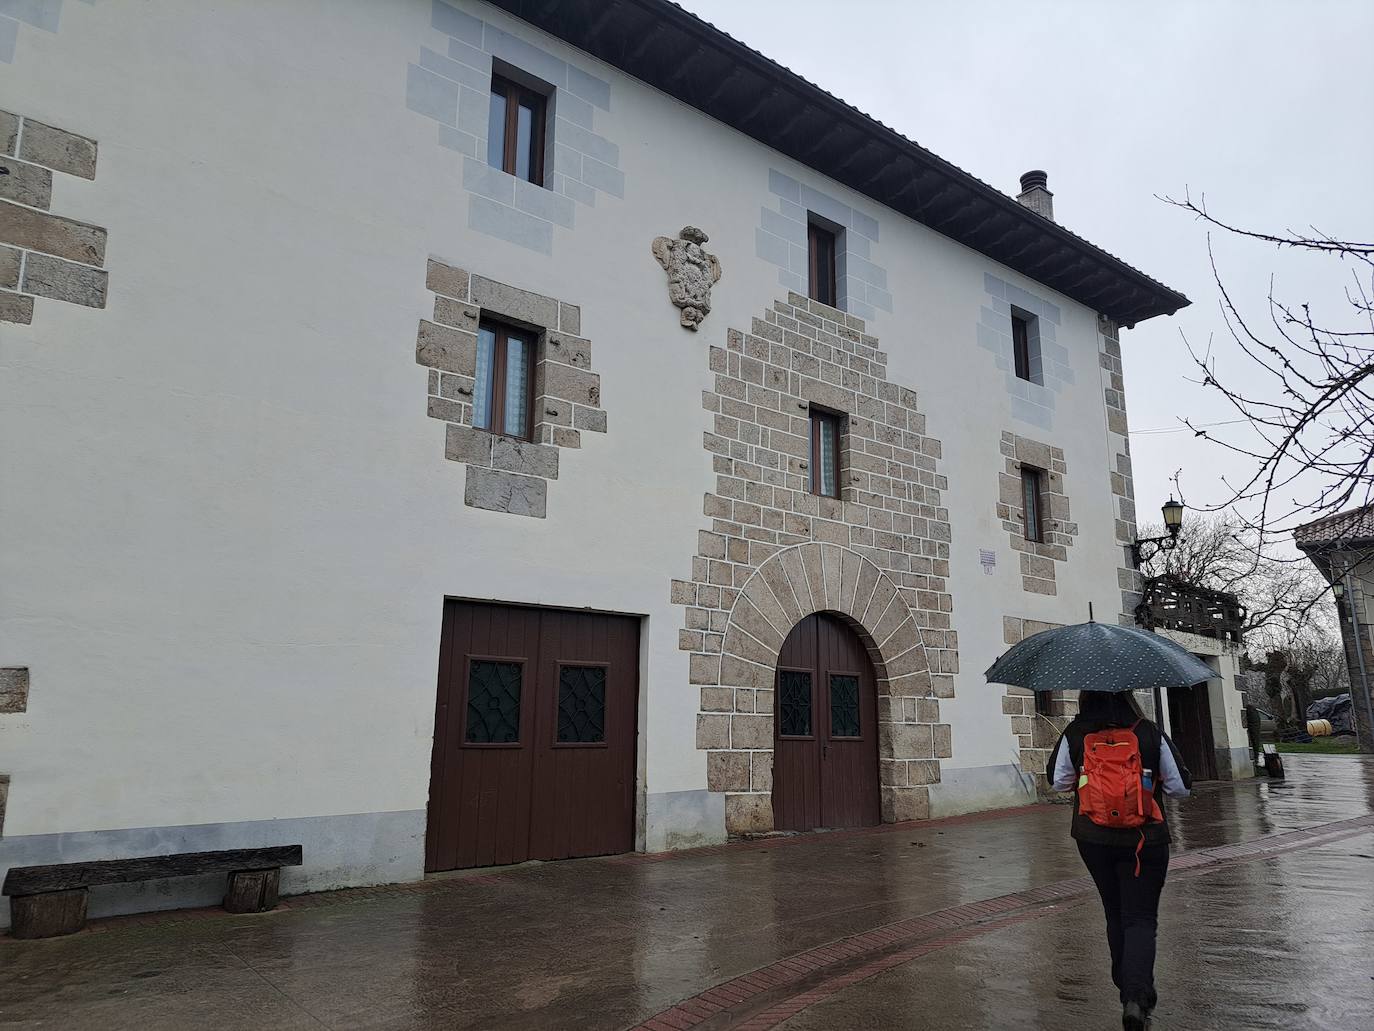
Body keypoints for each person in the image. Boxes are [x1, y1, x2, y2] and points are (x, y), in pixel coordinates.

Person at [1047, 690, 1192, 1031]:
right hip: (1145, 840)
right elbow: (1180, 788)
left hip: (1093, 838)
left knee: (1114, 912)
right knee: (1140, 918)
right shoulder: (1149, 732)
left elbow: (1058, 782)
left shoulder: (1075, 732)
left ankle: (1127, 987)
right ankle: (1136, 997)